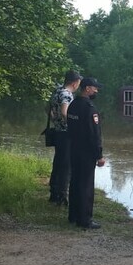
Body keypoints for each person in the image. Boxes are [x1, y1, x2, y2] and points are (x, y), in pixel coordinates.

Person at [67, 77, 106, 229]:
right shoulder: (89, 108)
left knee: (75, 182)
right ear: (87, 88)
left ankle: (73, 215)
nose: (97, 90)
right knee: (86, 186)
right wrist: (99, 155)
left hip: (74, 149)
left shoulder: (73, 105)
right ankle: (84, 220)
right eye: (95, 88)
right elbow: (94, 135)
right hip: (87, 153)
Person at [48, 70, 82, 206]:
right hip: (66, 133)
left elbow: (47, 109)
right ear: (75, 83)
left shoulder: (56, 91)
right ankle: (62, 196)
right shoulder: (66, 95)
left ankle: (54, 192)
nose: (78, 85)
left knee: (58, 162)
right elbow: (64, 112)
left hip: (57, 132)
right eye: (78, 83)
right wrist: (74, 126)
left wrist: (54, 120)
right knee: (66, 165)